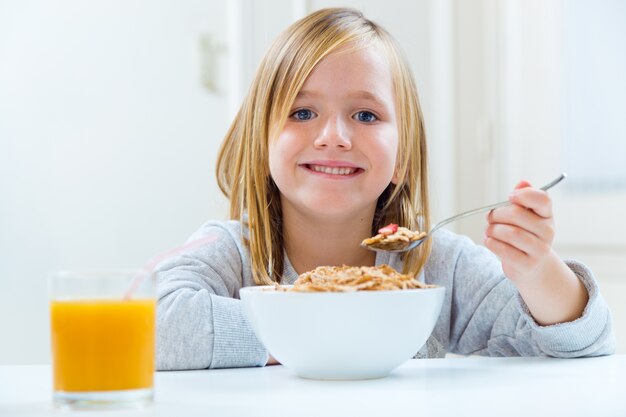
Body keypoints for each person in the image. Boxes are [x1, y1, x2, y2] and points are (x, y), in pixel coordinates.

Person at [155, 8, 614, 370]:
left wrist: (537, 270)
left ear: (405, 157)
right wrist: (328, 328)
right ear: (262, 145)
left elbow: (581, 345)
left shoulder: (436, 264)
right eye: (301, 113)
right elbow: (153, 327)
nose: (332, 136)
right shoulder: (231, 252)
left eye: (366, 116)